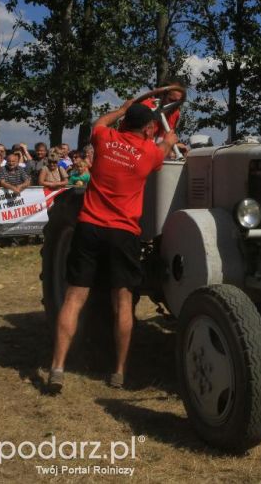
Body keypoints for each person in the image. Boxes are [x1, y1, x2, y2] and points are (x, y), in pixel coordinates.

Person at [48, 100, 178, 393]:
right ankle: (118, 371)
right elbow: (165, 148)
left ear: (124, 122)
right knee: (122, 303)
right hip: (123, 233)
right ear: (147, 128)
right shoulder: (148, 153)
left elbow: (100, 123)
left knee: (74, 298)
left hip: (90, 227)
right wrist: (169, 139)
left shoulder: (105, 139)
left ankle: (57, 367)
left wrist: (122, 108)